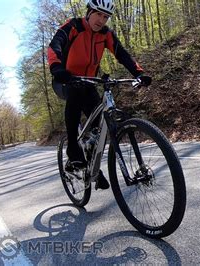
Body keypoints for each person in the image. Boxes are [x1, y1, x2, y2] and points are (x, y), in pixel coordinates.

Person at [48, 0, 151, 189]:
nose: (101, 20)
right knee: (76, 93)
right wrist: (57, 68)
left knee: (99, 127)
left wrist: (139, 73)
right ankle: (73, 148)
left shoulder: (106, 34)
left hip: (88, 83)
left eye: (106, 17)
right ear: (89, 12)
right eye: (98, 14)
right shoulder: (73, 26)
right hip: (64, 80)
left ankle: (91, 166)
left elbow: (122, 55)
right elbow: (54, 46)